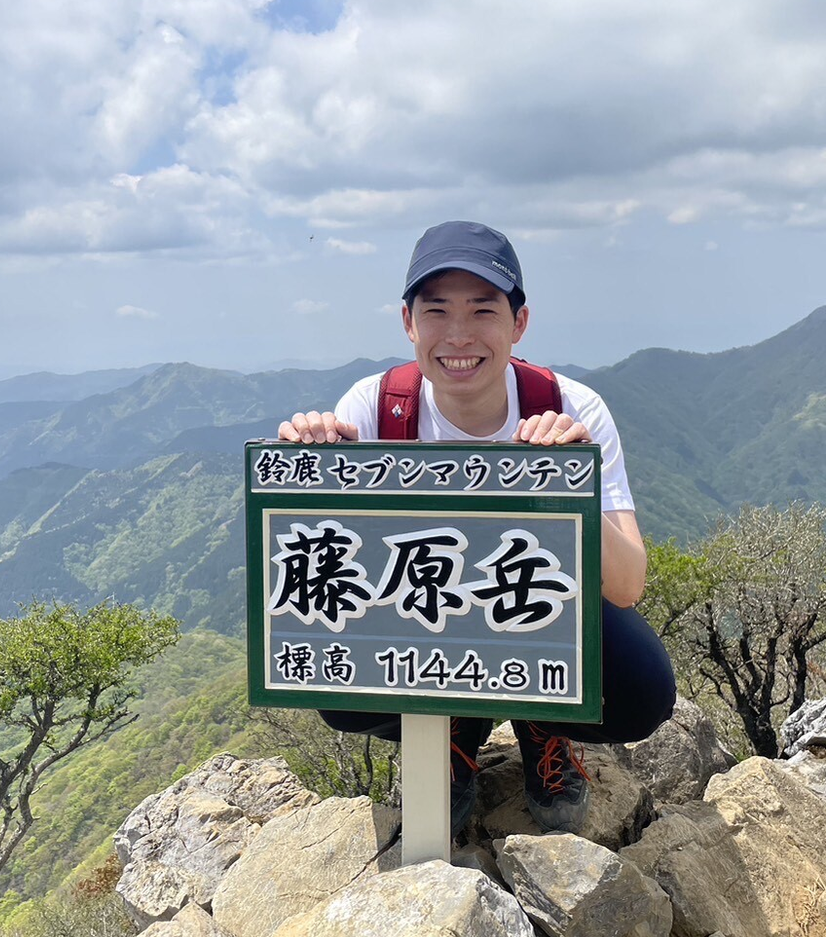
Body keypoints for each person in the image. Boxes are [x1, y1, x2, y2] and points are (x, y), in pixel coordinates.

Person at [277, 220, 675, 835]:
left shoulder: (571, 408)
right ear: (408, 323)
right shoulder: (376, 408)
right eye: (436, 310)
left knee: (642, 693)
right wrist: (311, 465)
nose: (458, 334)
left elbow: (626, 586)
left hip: (537, 609)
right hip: (425, 613)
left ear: (519, 322)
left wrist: (570, 482)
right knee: (334, 687)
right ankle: (453, 722)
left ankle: (542, 718)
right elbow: (329, 573)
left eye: (483, 310)